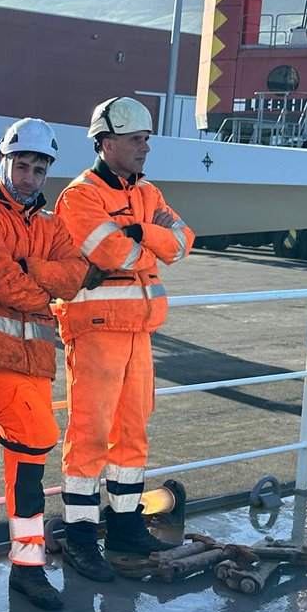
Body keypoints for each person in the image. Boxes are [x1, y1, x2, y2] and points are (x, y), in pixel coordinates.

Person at [53, 96, 194, 582]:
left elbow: (182, 242)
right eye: (137, 140)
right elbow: (109, 250)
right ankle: (79, 536)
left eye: (146, 139)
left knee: (132, 434)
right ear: (106, 143)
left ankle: (125, 526)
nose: (145, 148)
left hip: (138, 332)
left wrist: (140, 233)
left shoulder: (148, 194)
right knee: (89, 436)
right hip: (95, 332)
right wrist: (145, 239)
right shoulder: (79, 197)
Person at [0, 118, 94, 610]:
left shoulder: (49, 223)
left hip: (37, 362)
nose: (29, 177)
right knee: (40, 440)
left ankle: (26, 567)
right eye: (22, 165)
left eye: (39, 169)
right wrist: (40, 286)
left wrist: (31, 272)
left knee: (27, 467)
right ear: (4, 162)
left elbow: (74, 276)